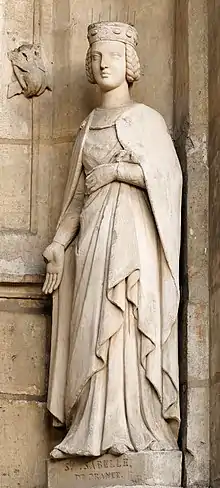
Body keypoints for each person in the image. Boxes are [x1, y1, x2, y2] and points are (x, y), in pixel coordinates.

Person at [42, 21, 182, 458]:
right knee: (91, 331)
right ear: (90, 64)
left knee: (126, 327)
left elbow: (167, 179)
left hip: (133, 239)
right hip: (94, 240)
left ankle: (132, 427)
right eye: (98, 57)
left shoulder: (147, 120)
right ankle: (90, 431)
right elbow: (77, 198)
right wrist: (58, 245)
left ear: (130, 64)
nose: (105, 64)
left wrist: (119, 171)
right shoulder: (86, 129)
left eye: (115, 57)